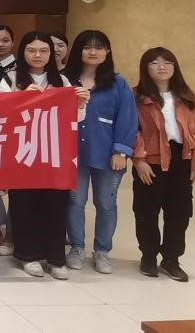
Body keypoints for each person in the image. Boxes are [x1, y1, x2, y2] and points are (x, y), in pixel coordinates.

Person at [0, 32, 89, 281]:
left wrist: (81, 104)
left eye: (43, 50)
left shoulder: (63, 81)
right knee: (25, 204)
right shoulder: (11, 79)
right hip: (23, 152)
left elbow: (75, 119)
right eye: (31, 50)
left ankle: (56, 257)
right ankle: (27, 254)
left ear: (51, 54)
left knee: (55, 204)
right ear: (23, 52)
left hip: (55, 153)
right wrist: (20, 98)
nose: (37, 55)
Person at [133, 47, 195, 282]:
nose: (162, 67)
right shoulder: (136, 97)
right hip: (151, 160)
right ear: (145, 68)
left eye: (167, 62)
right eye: (155, 63)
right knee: (146, 210)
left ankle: (171, 259)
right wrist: (139, 160)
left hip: (181, 159)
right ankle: (148, 256)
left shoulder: (188, 98)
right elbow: (132, 129)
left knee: (180, 212)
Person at [63, 29, 138, 275]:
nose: (93, 52)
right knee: (75, 200)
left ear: (107, 51)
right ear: (78, 51)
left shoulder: (118, 83)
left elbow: (128, 118)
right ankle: (76, 247)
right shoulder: (65, 80)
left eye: (99, 47)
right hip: (72, 154)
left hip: (107, 153)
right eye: (87, 47)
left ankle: (102, 250)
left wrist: (121, 151)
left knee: (106, 202)